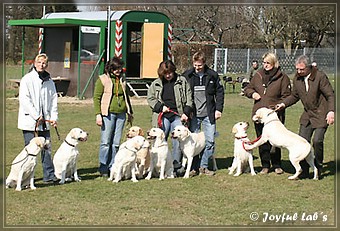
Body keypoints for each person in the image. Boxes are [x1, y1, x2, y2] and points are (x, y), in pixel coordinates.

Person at [276, 55, 335, 179]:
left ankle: (318, 168)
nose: (299, 72)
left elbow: (330, 95)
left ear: (308, 67)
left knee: (317, 141)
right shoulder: (297, 79)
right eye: (297, 69)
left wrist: (331, 111)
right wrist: (283, 104)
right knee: (301, 142)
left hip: (321, 113)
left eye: (301, 69)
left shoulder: (320, 76)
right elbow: (294, 96)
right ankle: (303, 170)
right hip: (307, 115)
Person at [244, 52, 291, 175]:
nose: (265, 65)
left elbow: (287, 96)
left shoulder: (283, 78)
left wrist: (280, 105)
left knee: (275, 141)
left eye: (268, 63)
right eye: (264, 63)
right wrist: (252, 93)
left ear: (274, 63)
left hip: (274, 116)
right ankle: (265, 165)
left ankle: (277, 165)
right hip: (259, 115)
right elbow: (248, 88)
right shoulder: (257, 75)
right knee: (261, 139)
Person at [182, 51, 225, 176]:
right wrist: (186, 112)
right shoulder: (187, 76)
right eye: (195, 65)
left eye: (199, 65)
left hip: (209, 114)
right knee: (193, 142)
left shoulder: (212, 75)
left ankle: (203, 166)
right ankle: (193, 168)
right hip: (194, 114)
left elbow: (220, 93)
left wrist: (218, 109)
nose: (197, 67)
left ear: (204, 63)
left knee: (210, 142)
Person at [17, 53, 58, 183]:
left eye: (44, 63)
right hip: (30, 122)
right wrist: (36, 115)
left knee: (47, 148)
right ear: (35, 63)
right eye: (39, 62)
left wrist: (53, 117)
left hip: (45, 122)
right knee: (31, 151)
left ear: (47, 65)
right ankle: (25, 178)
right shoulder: (27, 79)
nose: (42, 65)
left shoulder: (49, 81)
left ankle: (49, 176)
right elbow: (24, 99)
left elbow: (53, 100)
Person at [147, 60, 193, 174]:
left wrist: (186, 113)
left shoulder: (182, 81)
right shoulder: (156, 83)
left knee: (178, 141)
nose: (168, 75)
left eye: (170, 73)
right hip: (162, 115)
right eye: (165, 73)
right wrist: (160, 107)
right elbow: (150, 98)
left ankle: (175, 166)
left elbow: (189, 98)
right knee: (160, 140)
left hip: (178, 115)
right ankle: (157, 166)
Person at [93, 57, 133, 177]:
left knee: (116, 142)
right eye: (116, 69)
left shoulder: (122, 79)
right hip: (108, 114)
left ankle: (113, 165)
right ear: (110, 68)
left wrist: (130, 112)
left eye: (120, 68)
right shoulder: (103, 79)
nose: (118, 71)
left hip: (121, 113)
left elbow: (126, 96)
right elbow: (96, 98)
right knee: (106, 141)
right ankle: (103, 166)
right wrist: (98, 114)